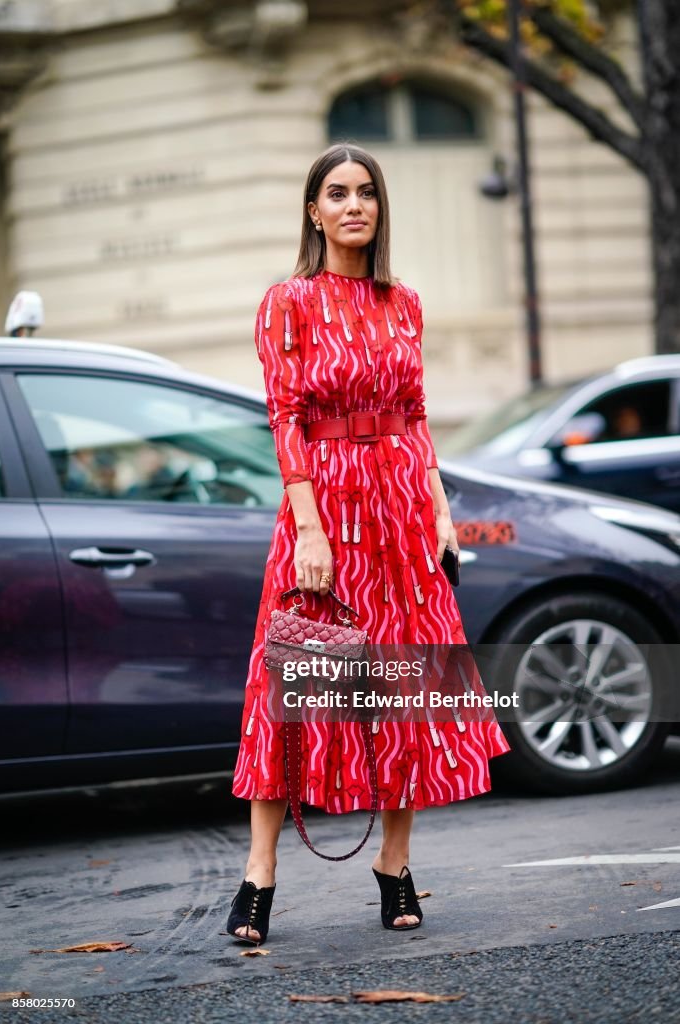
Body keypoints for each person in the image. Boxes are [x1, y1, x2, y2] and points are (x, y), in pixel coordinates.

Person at [227, 143, 512, 945]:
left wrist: (442, 513)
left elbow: (416, 417)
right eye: (336, 193)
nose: (354, 205)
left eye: (366, 193)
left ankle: (394, 864)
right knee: (293, 686)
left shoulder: (404, 303)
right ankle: (259, 876)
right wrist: (309, 528)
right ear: (313, 211)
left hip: (399, 510)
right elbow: (285, 418)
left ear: (379, 209)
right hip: (325, 510)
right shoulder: (289, 301)